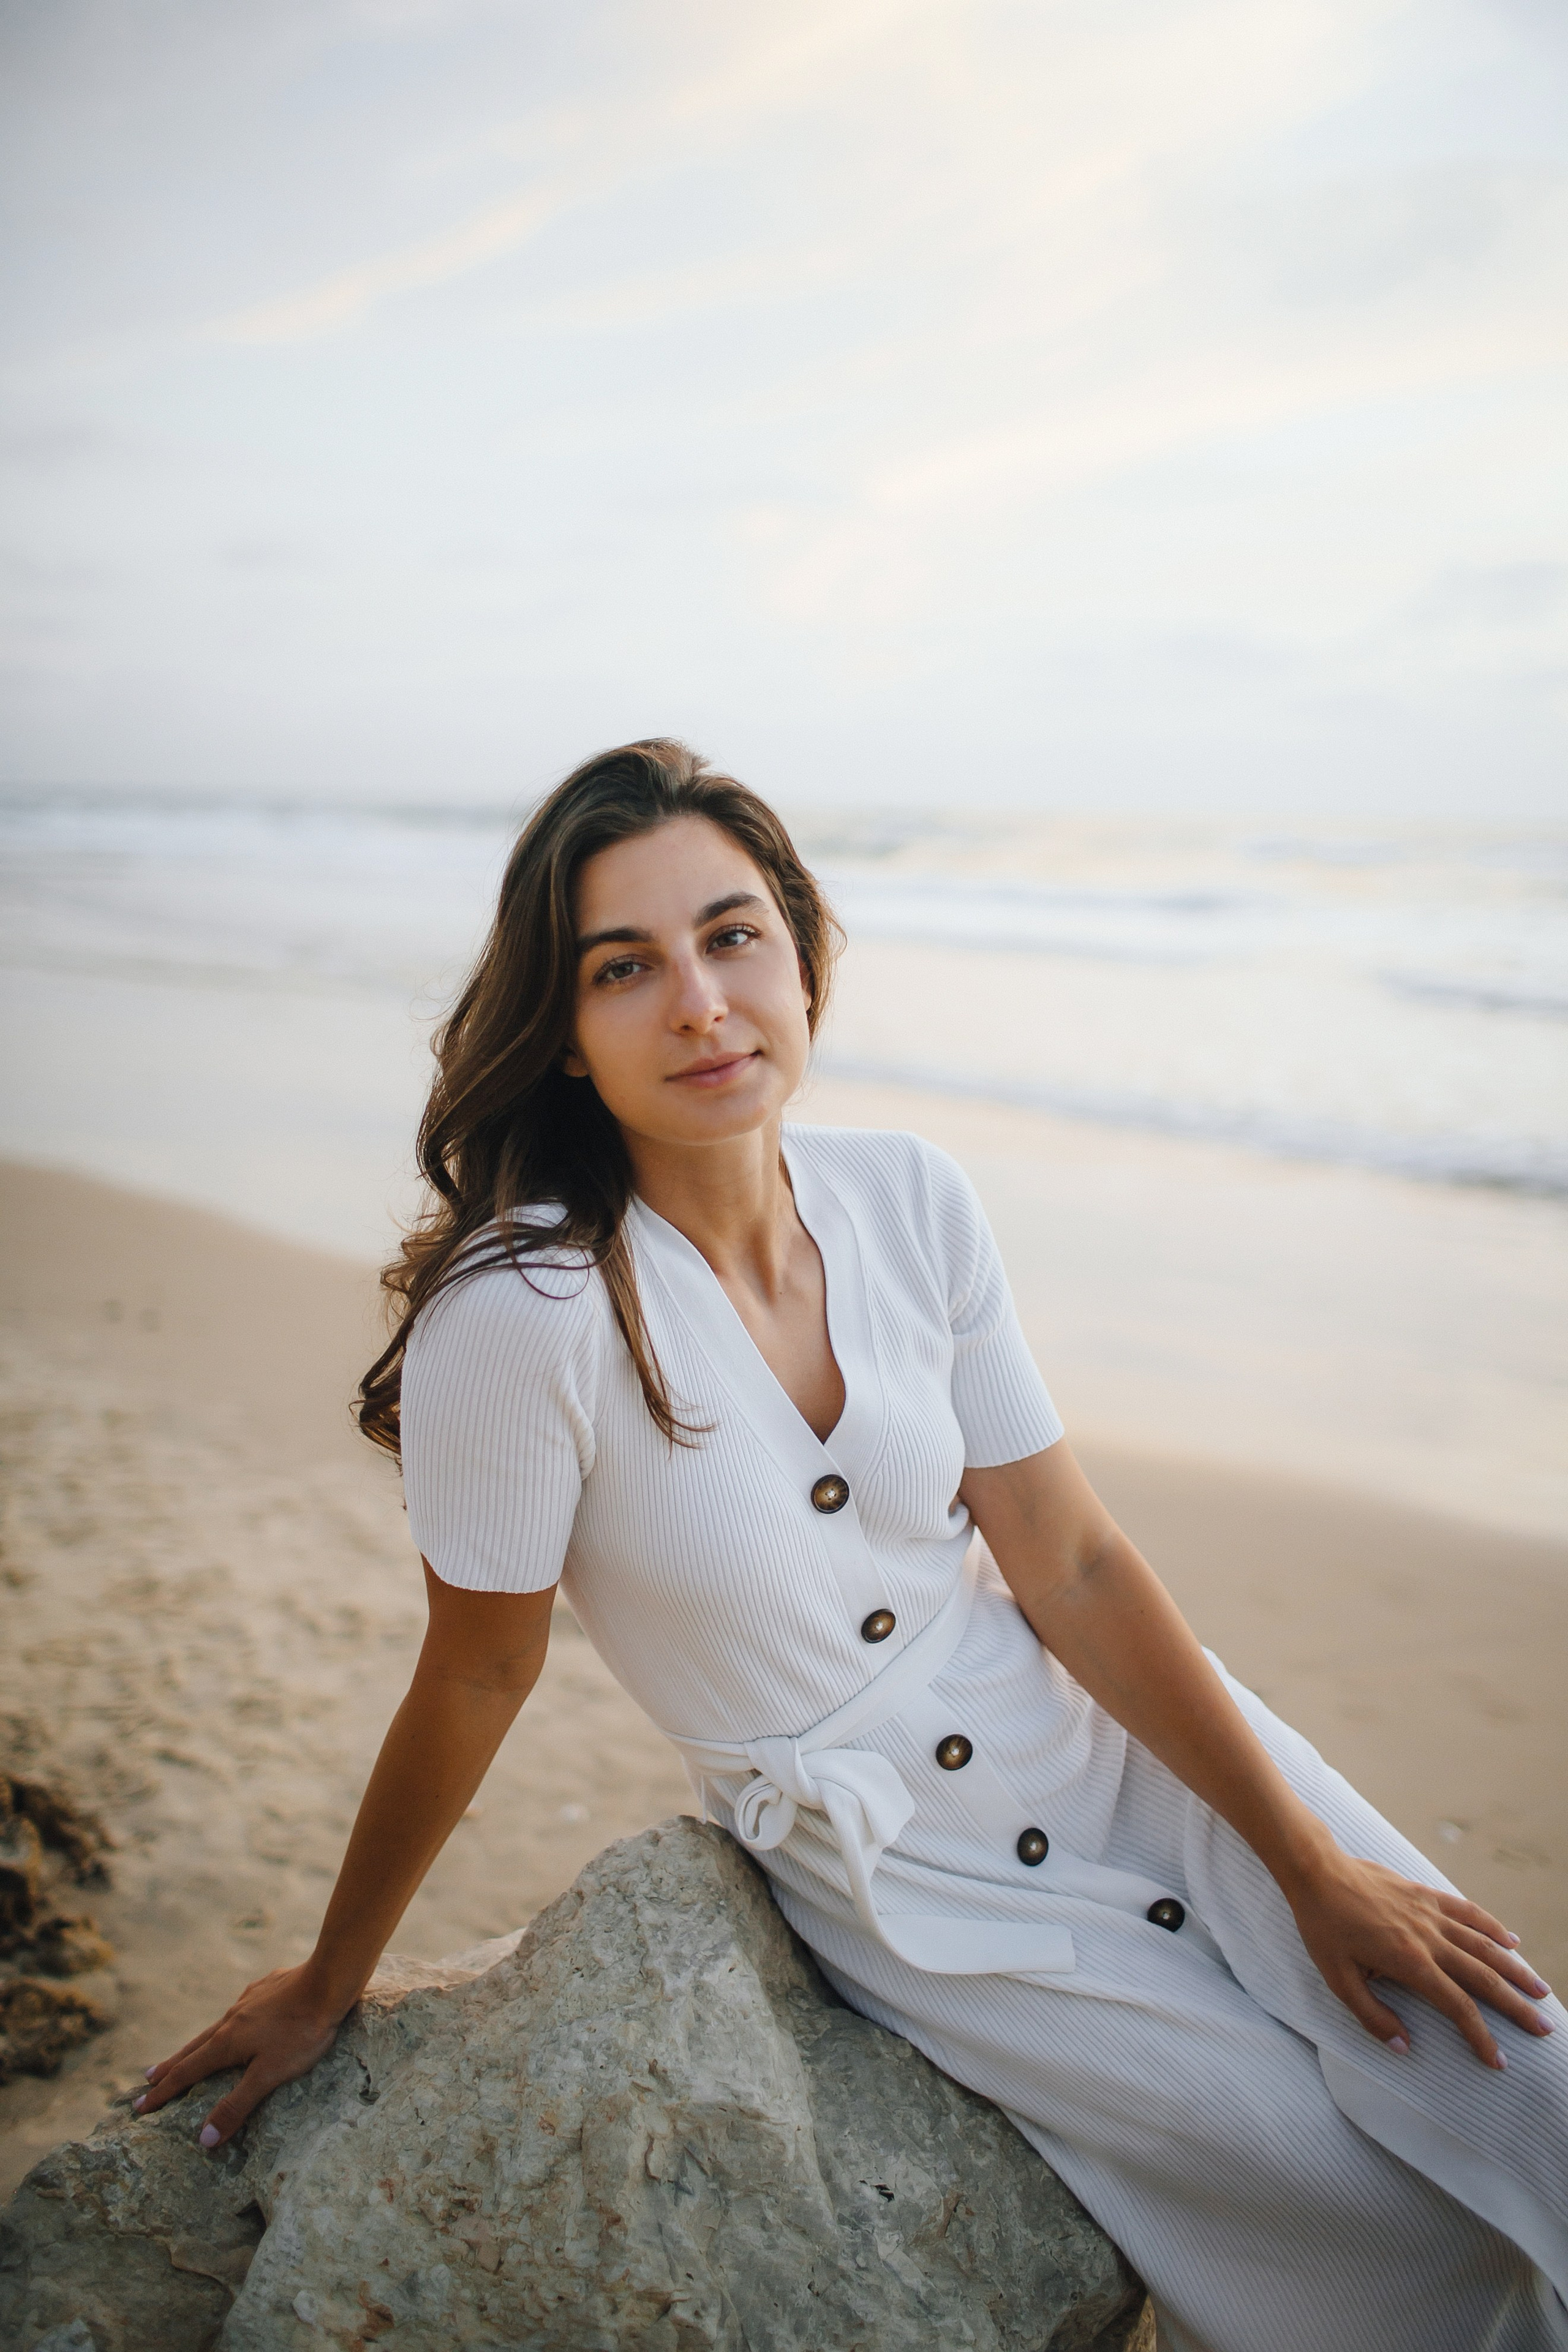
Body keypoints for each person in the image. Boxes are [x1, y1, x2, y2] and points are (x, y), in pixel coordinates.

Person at [139, 740, 1567, 2352]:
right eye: (625, 968)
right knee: (1364, 2220)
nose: (700, 1003)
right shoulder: (525, 1312)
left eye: (732, 936)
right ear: (565, 1035)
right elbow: (477, 1673)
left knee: (1526, 2079)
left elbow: (1069, 1561)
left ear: (802, 955)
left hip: (1108, 1742)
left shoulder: (910, 1198)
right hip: (901, 1877)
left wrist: (1307, 1865)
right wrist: (331, 1980)